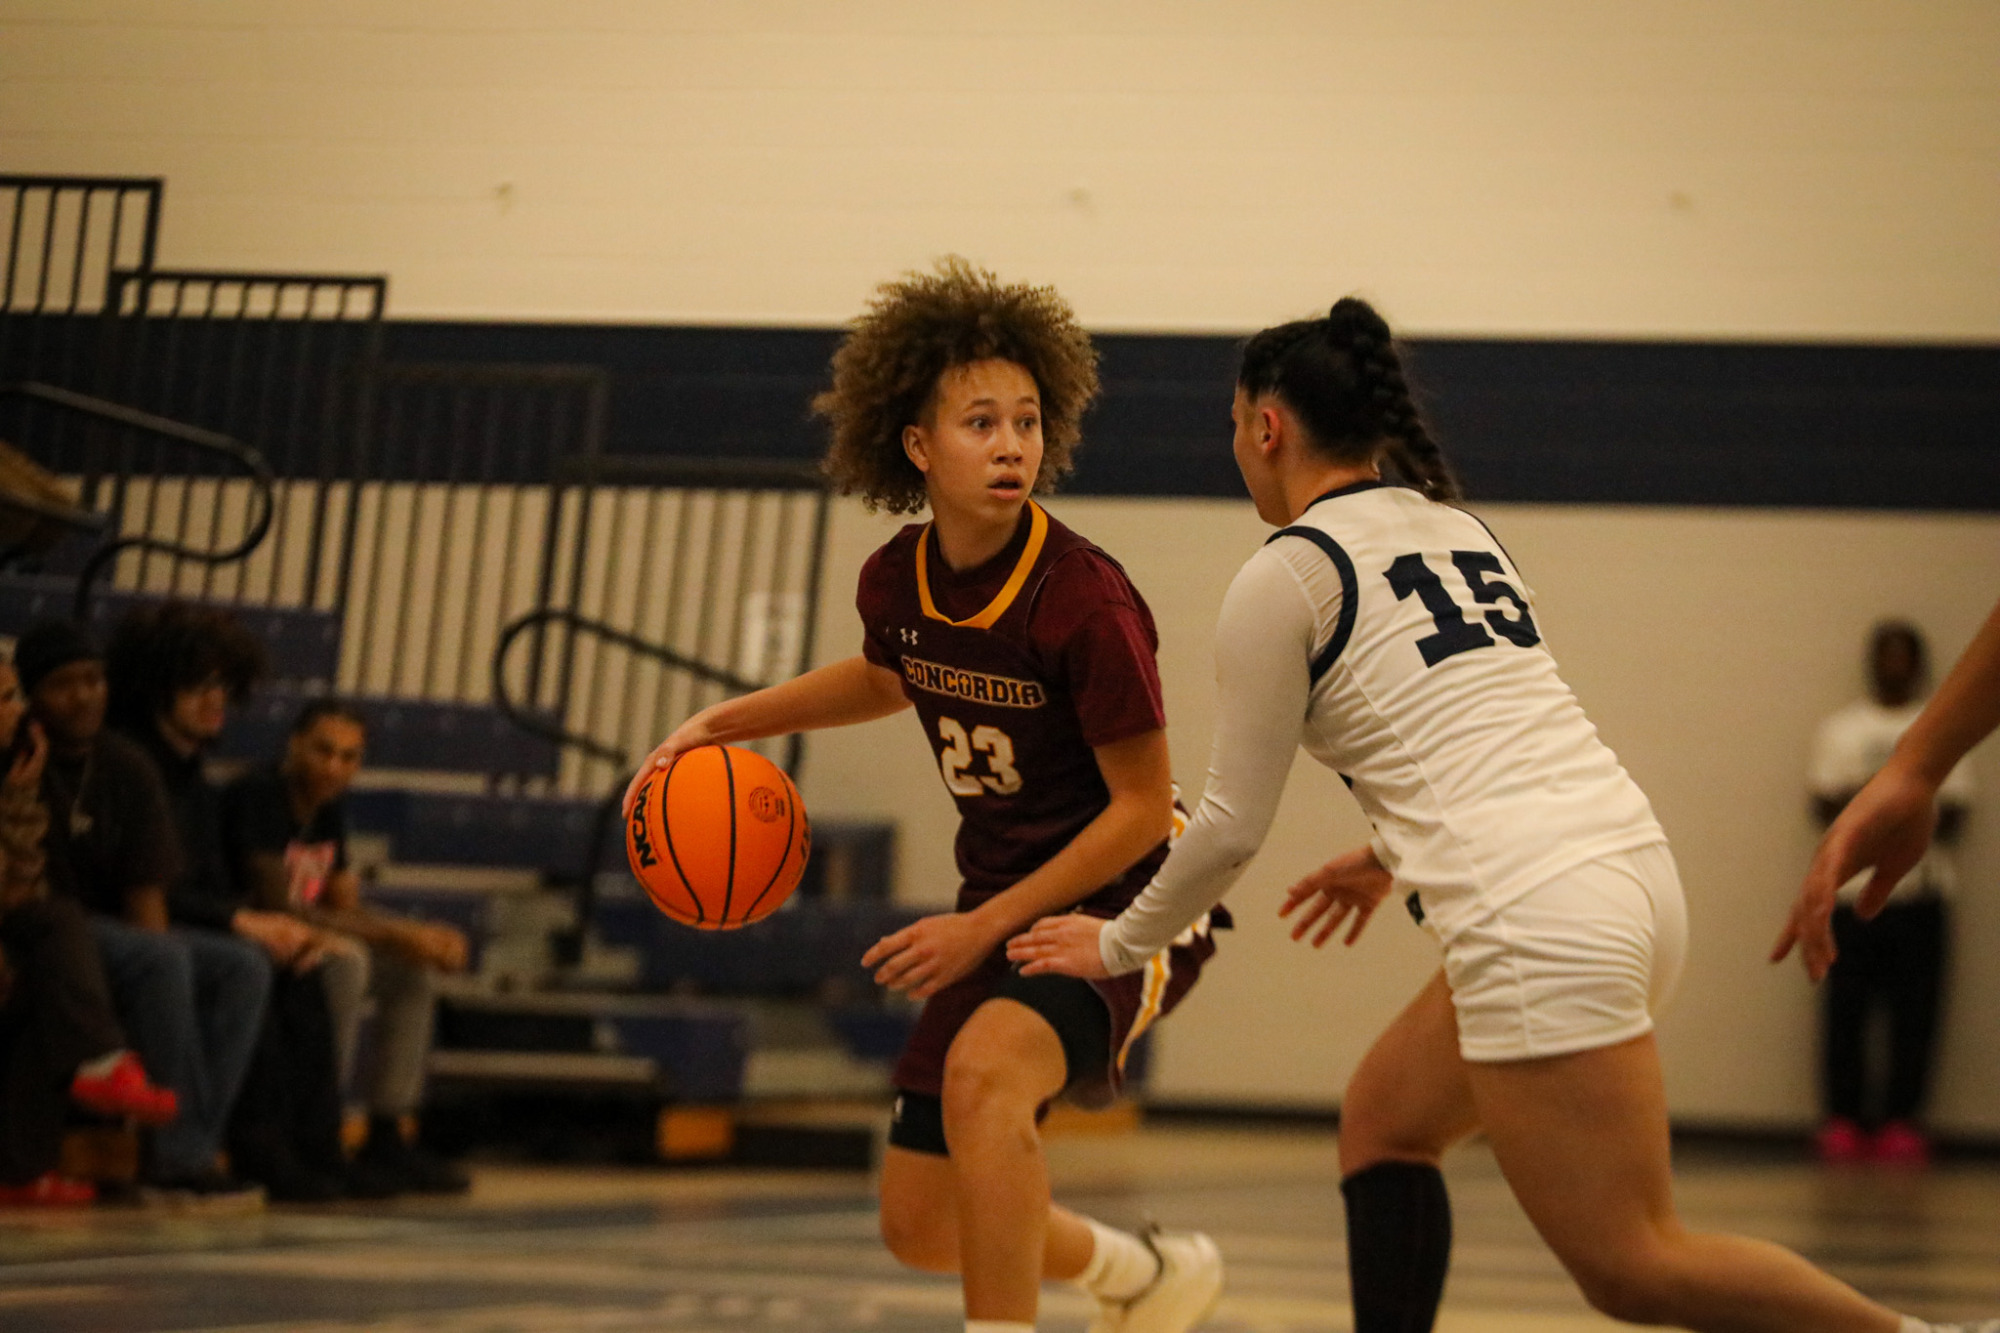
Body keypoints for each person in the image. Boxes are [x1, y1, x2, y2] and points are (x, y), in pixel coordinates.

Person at [1008, 297, 1995, 1333]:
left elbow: (1226, 827)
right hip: (1629, 875)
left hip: (1537, 914)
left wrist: (1119, 943)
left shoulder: (1282, 574)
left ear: (1266, 427)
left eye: (1230, 425)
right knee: (1384, 1120)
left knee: (1633, 1266)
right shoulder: (1454, 524)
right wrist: (1392, 851)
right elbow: (1476, 731)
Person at [624, 259, 1225, 1333]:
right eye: (979, 421)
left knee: (988, 1079)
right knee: (918, 1219)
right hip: (998, 897)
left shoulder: (1083, 599)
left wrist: (983, 925)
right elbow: (887, 675)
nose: (1009, 445)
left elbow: (1140, 806)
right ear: (915, 444)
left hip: (1127, 904)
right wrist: (723, 721)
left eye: (1027, 422)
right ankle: (1137, 1273)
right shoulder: (895, 579)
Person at [104, 601, 361, 1203]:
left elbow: (207, 883)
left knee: (300, 962)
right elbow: (146, 887)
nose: (215, 700)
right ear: (157, 686)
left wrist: (257, 923)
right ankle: (196, 1148)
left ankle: (304, 1145)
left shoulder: (195, 774)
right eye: (198, 686)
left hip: (185, 920)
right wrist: (241, 919)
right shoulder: (133, 763)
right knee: (236, 962)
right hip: (129, 921)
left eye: (223, 686)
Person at [18, 619, 268, 1208]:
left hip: (115, 932)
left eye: (94, 680)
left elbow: (147, 896)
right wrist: (156, 959)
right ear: (32, 697)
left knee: (241, 967)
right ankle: (174, 1160)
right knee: (162, 958)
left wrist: (156, 959)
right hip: (50, 927)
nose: (85, 696)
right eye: (64, 685)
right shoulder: (23, 759)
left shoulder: (127, 765)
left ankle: (195, 1146)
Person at [221, 697, 471, 1195]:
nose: (334, 767)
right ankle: (317, 1131)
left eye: (349, 757)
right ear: (294, 745)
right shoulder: (259, 794)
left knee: (410, 971)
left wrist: (417, 939)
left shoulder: (329, 811)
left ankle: (386, 1131)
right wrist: (403, 934)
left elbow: (343, 908)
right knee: (348, 963)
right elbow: (278, 905)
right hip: (257, 939)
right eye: (323, 751)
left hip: (308, 943)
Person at [0, 653, 179, 1206]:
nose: (18, 709)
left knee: (42, 975)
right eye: (4, 699)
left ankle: (18, 1169)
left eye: (14, 695)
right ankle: (102, 1062)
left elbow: (17, 884)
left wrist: (16, 798)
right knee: (57, 924)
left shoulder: (18, 770)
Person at [1802, 622, 1973, 1166]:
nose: (1894, 665)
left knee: (1916, 1013)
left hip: (1922, 894)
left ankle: (1903, 1120)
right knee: (1844, 1011)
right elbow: (1824, 807)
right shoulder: (1841, 730)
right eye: (1886, 655)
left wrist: (1879, 804)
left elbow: (1955, 812)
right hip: (1851, 896)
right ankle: (1844, 1119)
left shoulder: (1942, 727)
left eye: (1905, 657)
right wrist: (1899, 798)